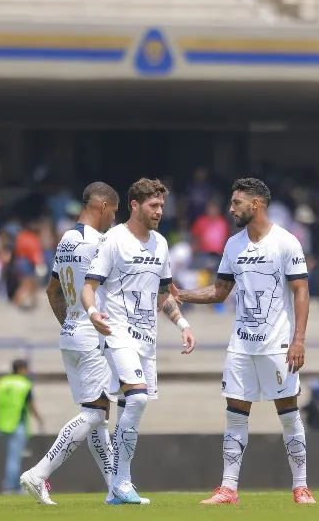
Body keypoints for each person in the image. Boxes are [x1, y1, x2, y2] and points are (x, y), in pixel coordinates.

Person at [174, 177, 315, 505]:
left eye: (236, 203)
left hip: (277, 344)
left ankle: (301, 487)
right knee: (235, 414)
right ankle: (228, 488)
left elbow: (301, 291)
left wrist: (299, 340)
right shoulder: (233, 244)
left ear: (256, 204)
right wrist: (183, 295)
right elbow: (220, 291)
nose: (231, 209)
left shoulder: (286, 242)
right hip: (241, 345)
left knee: (288, 414)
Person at [81, 177, 195, 505]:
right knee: (138, 398)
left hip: (147, 340)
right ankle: (122, 482)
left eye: (162, 206)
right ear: (134, 205)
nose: (159, 211)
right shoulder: (114, 240)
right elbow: (89, 286)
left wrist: (183, 324)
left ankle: (116, 488)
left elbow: (163, 295)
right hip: (116, 333)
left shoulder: (161, 244)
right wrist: (93, 313)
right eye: (153, 205)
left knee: (128, 405)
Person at [19, 182, 121, 505]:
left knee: (97, 417)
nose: (114, 220)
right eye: (114, 212)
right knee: (95, 413)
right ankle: (39, 473)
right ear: (103, 207)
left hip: (71, 333)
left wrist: (70, 323)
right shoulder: (99, 242)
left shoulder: (65, 239)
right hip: (92, 333)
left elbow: (52, 291)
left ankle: (116, 488)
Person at [0, 359, 44, 494]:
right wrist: (39, 419)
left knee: (11, 456)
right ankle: (10, 486)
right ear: (21, 369)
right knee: (14, 458)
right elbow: (31, 406)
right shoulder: (24, 384)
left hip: (3, 425)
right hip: (17, 423)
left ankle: (12, 485)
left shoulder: (2, 382)